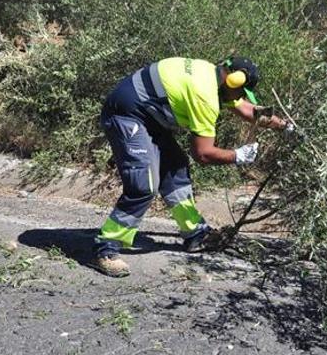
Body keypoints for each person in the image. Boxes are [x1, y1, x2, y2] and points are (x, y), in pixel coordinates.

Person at [93, 56, 289, 277]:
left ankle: (195, 233)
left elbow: (249, 110)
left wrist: (286, 127)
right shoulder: (204, 96)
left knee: (175, 169)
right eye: (242, 91)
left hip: (149, 118)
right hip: (126, 115)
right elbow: (203, 154)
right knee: (143, 185)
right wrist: (237, 156)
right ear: (234, 81)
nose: (243, 97)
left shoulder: (214, 76)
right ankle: (107, 248)